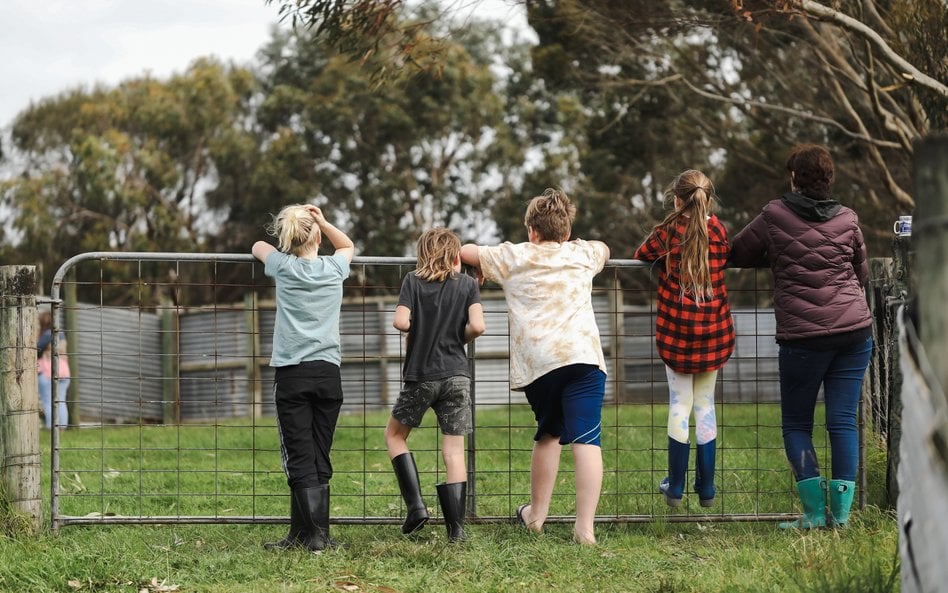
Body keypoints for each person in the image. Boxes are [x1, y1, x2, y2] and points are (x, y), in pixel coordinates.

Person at [729, 144, 873, 529]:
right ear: (830, 178)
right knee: (842, 422)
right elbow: (861, 275)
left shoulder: (775, 214)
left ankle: (813, 515)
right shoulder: (849, 218)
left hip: (803, 338)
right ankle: (840, 517)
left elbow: (737, 252)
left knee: (796, 424)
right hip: (854, 332)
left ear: (794, 177)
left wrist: (778, 255)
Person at [460, 187, 609, 545]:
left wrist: (478, 265)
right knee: (587, 439)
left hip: (539, 364)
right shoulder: (582, 254)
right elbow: (605, 248)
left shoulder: (513, 257)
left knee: (549, 433)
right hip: (584, 358)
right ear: (567, 231)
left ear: (531, 231)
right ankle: (584, 529)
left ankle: (536, 516)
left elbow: (464, 251)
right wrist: (581, 243)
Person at [252, 203, 355, 552]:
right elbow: (347, 245)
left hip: (292, 375)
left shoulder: (282, 265)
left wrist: (288, 243)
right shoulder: (334, 266)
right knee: (319, 452)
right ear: (316, 236)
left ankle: (313, 539)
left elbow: (257, 248)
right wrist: (324, 221)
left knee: (297, 455)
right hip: (329, 373)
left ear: (287, 239)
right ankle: (308, 534)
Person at [634, 169, 735, 508]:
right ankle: (706, 489)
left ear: (677, 199)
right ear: (708, 199)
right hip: (713, 335)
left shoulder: (665, 233)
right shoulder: (718, 231)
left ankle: (674, 487)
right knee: (705, 406)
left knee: (680, 404)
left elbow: (640, 255)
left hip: (677, 335)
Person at [386, 228, 486, 542]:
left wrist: (416, 327)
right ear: (456, 257)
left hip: (421, 375)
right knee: (454, 452)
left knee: (395, 435)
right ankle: (456, 530)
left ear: (423, 255)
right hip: (457, 375)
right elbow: (478, 326)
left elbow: (401, 322)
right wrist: (460, 337)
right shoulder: (468, 284)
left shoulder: (412, 281)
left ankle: (416, 508)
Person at [37, 327, 71, 431]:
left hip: (47, 372)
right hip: (64, 372)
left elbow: (35, 348)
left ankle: (51, 428)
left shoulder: (47, 334)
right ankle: (62, 428)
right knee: (61, 400)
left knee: (48, 401)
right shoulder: (62, 336)